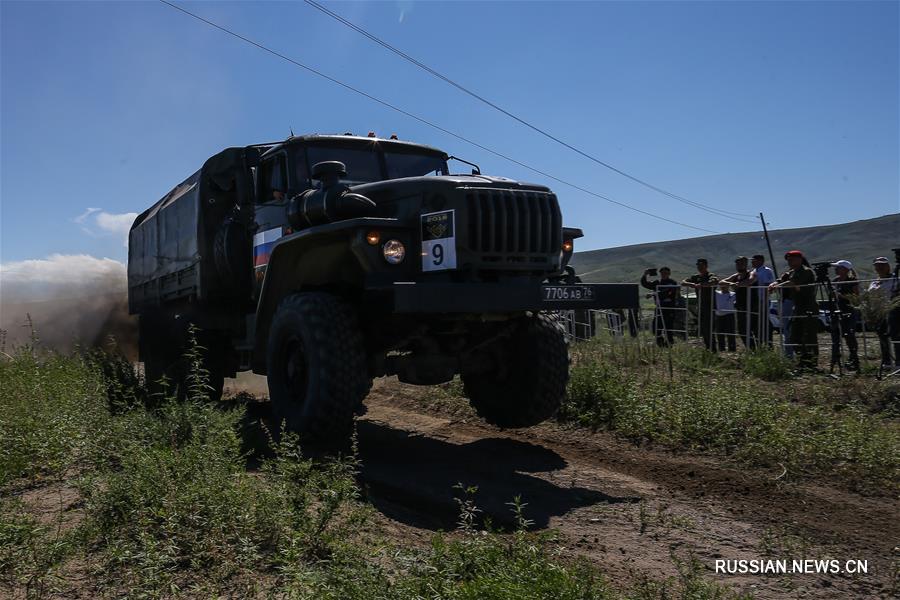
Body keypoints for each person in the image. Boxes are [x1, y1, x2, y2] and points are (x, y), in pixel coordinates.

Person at [769, 250, 818, 371]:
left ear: (799, 259)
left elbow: (792, 282)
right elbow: (782, 280)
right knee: (795, 336)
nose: (789, 262)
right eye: (788, 260)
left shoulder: (806, 271)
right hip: (798, 307)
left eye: (791, 259)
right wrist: (775, 283)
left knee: (809, 336)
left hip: (808, 307)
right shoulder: (792, 272)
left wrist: (777, 286)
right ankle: (802, 360)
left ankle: (811, 363)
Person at [867, 256, 900, 368]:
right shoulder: (873, 283)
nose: (879, 267)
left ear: (888, 266)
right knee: (882, 337)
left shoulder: (896, 280)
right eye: (877, 265)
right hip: (878, 312)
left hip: (893, 311)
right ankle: (886, 362)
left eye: (882, 265)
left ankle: (899, 362)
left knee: (896, 336)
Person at [682, 258, 719, 351]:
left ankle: (713, 348)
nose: (700, 267)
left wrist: (702, 285)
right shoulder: (695, 277)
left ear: (706, 266)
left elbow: (714, 281)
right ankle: (708, 347)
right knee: (703, 328)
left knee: (709, 328)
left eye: (701, 265)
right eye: (698, 265)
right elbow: (683, 282)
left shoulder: (710, 275)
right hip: (701, 306)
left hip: (710, 306)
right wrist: (693, 285)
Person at [829, 260, 860, 370]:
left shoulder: (852, 281)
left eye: (838, 267)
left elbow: (856, 298)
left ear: (845, 269)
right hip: (836, 310)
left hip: (849, 310)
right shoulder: (835, 280)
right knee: (835, 336)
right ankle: (835, 359)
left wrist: (840, 296)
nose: (836, 269)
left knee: (849, 335)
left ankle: (854, 358)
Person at [720, 256, 756, 349]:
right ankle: (751, 349)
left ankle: (758, 349)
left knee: (754, 329)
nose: (739, 265)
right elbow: (721, 282)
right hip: (740, 306)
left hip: (752, 305)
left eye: (741, 263)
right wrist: (731, 284)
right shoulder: (736, 276)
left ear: (746, 264)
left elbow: (750, 281)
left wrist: (738, 285)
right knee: (742, 330)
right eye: (738, 263)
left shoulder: (751, 273)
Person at [641, 266, 680, 346]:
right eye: (662, 273)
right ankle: (660, 343)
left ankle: (670, 343)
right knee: (656, 327)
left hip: (669, 308)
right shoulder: (657, 282)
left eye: (665, 273)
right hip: (659, 308)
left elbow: (666, 292)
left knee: (668, 327)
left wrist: (653, 294)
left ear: (669, 273)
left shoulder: (672, 282)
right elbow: (645, 284)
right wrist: (645, 275)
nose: (663, 274)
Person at [748, 255, 776, 345]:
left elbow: (768, 285)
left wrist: (764, 299)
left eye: (754, 260)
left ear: (761, 261)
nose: (752, 262)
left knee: (764, 321)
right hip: (755, 300)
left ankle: (768, 342)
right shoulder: (753, 271)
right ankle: (761, 341)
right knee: (758, 322)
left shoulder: (766, 271)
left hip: (762, 300)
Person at [714, 281, 737, 351]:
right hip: (719, 315)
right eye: (722, 286)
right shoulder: (716, 293)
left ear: (728, 286)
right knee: (719, 332)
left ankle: (732, 348)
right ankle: (721, 348)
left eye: (725, 286)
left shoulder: (733, 294)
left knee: (731, 332)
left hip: (729, 315)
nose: (723, 287)